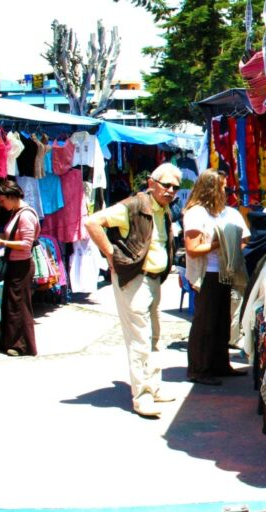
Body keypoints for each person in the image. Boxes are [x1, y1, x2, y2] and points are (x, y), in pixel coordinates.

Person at [84, 163, 182, 418]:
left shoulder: (163, 209)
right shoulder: (134, 205)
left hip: (153, 280)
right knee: (140, 340)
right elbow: (92, 222)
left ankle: (153, 386)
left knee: (154, 337)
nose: (171, 190)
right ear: (151, 183)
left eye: (175, 187)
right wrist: (110, 255)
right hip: (135, 279)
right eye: (166, 185)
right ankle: (142, 396)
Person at [183, 169, 250, 386]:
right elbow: (192, 248)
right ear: (211, 188)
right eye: (222, 187)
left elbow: (244, 238)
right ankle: (199, 368)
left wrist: (234, 244)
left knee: (222, 320)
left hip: (226, 271)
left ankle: (220, 364)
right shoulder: (196, 213)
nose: (226, 190)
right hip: (208, 273)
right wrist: (219, 244)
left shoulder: (228, 212)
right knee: (205, 322)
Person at [0, 181, 40, 357]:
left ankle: (21, 345)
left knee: (20, 306)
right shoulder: (16, 213)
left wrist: (2, 242)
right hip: (15, 264)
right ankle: (11, 342)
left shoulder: (25, 216)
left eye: (2, 201)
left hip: (22, 266)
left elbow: (26, 243)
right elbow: (13, 236)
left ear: (11, 197)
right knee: (11, 305)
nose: (1, 205)